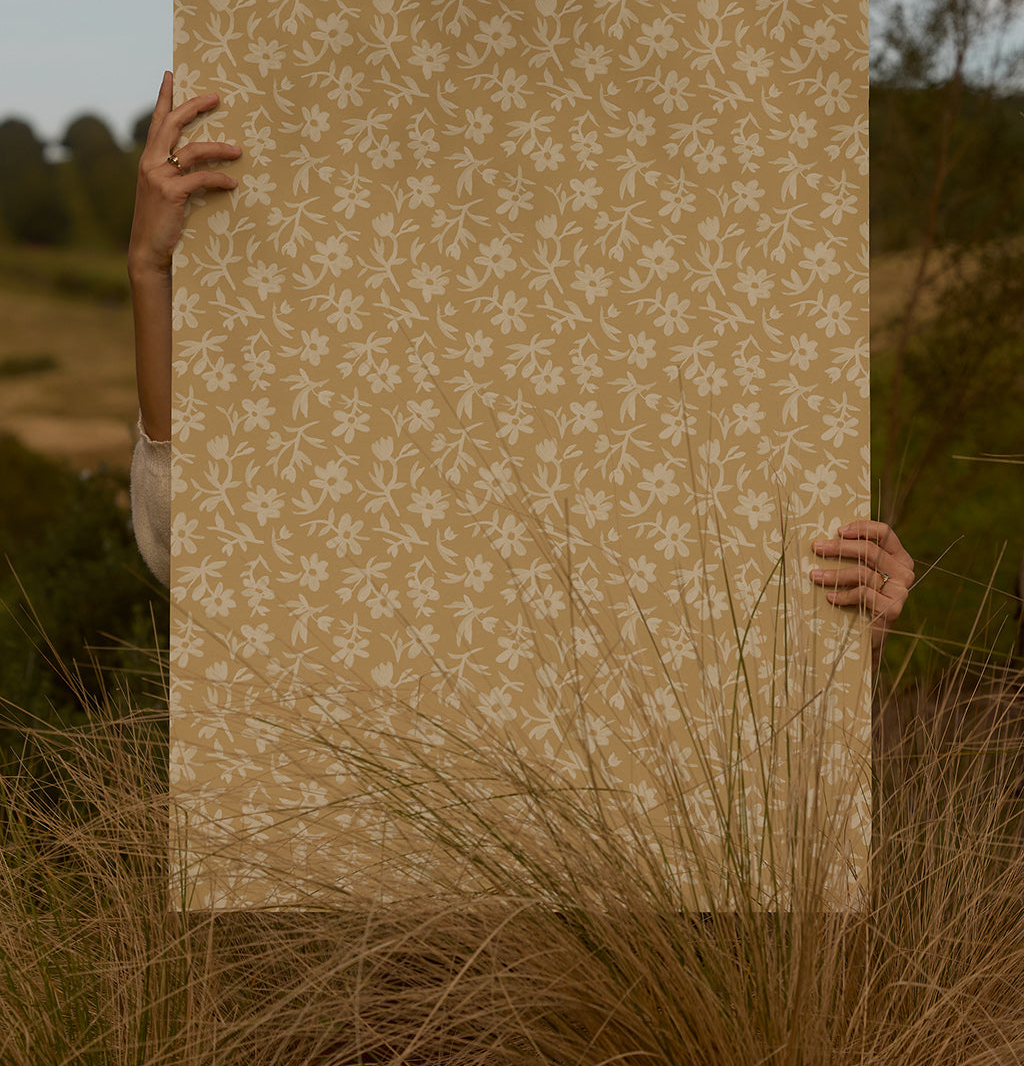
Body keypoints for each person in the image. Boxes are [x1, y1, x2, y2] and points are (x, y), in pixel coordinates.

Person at [129, 73, 915, 670]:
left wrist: (852, 631)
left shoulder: (693, 423)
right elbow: (185, 544)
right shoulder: (359, 424)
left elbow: (750, 690)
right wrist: (150, 269)